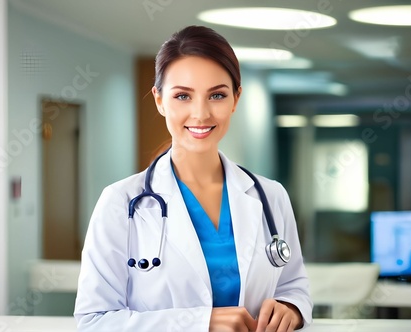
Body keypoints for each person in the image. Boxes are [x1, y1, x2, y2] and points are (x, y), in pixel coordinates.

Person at [74, 25, 313, 332]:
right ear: (160, 100)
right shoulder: (121, 202)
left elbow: (293, 285)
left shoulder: (270, 195)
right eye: (183, 96)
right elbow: (94, 320)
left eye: (216, 95)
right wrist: (200, 323)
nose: (200, 114)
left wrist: (291, 308)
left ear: (235, 99)